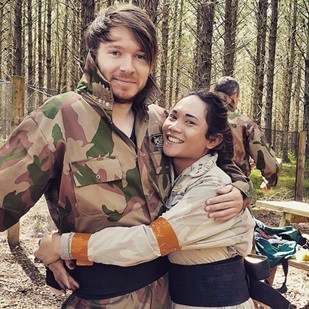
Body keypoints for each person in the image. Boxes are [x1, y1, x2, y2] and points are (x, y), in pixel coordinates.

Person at [1, 5, 252, 308]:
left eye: (140, 56)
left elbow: (217, 159)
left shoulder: (162, 122)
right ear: (93, 54)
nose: (128, 67)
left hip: (169, 296)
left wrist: (240, 190)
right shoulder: (60, 117)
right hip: (103, 299)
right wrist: (51, 247)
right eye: (116, 52)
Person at [36, 91, 256, 308]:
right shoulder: (171, 169)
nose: (174, 127)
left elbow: (150, 242)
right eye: (173, 116)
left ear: (213, 139)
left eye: (190, 122)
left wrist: (65, 245)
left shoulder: (215, 192)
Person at [213, 76, 282, 190]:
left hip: (192, 184)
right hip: (231, 186)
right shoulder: (243, 123)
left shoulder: (199, 116)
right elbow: (268, 164)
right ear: (234, 97)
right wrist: (271, 181)